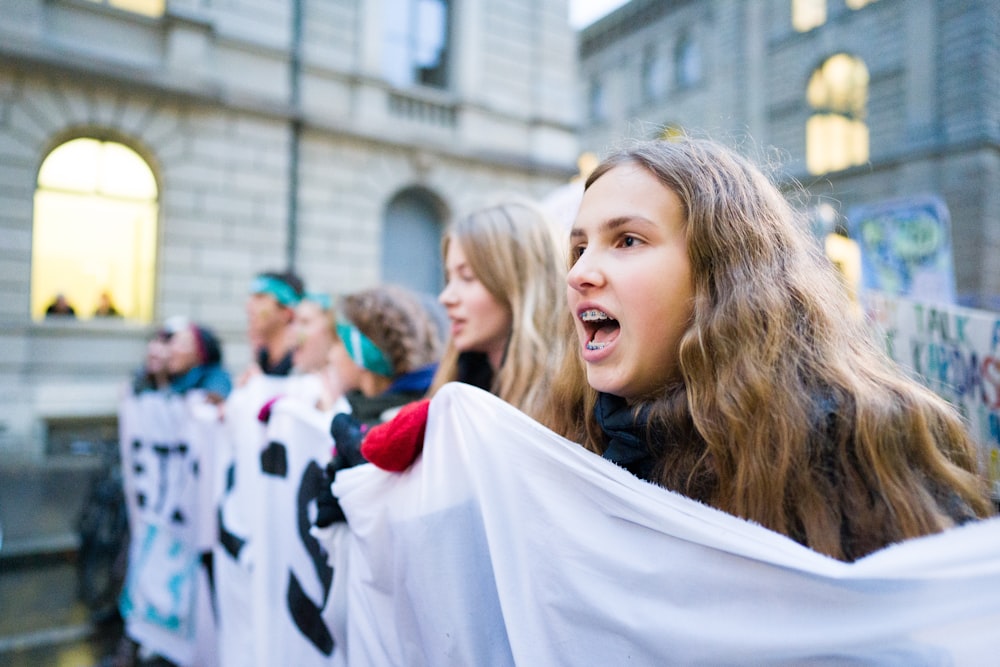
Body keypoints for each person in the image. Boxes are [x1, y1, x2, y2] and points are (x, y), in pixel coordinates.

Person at [544, 136, 993, 562]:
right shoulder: (575, 437)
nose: (580, 272)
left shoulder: (857, 447)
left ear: (718, 272)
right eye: (579, 247)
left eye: (627, 240)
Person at [351, 198, 571, 472]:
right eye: (448, 278)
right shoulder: (452, 388)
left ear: (522, 285)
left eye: (467, 278)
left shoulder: (573, 408)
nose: (446, 297)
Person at [243, 270, 304, 380]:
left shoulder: (302, 369)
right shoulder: (262, 362)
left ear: (286, 311)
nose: (248, 307)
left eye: (260, 297)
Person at [166, 321, 232, 403]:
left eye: (180, 344)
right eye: (171, 343)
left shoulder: (216, 379)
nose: (171, 349)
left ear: (199, 353)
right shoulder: (179, 381)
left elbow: (216, 398)